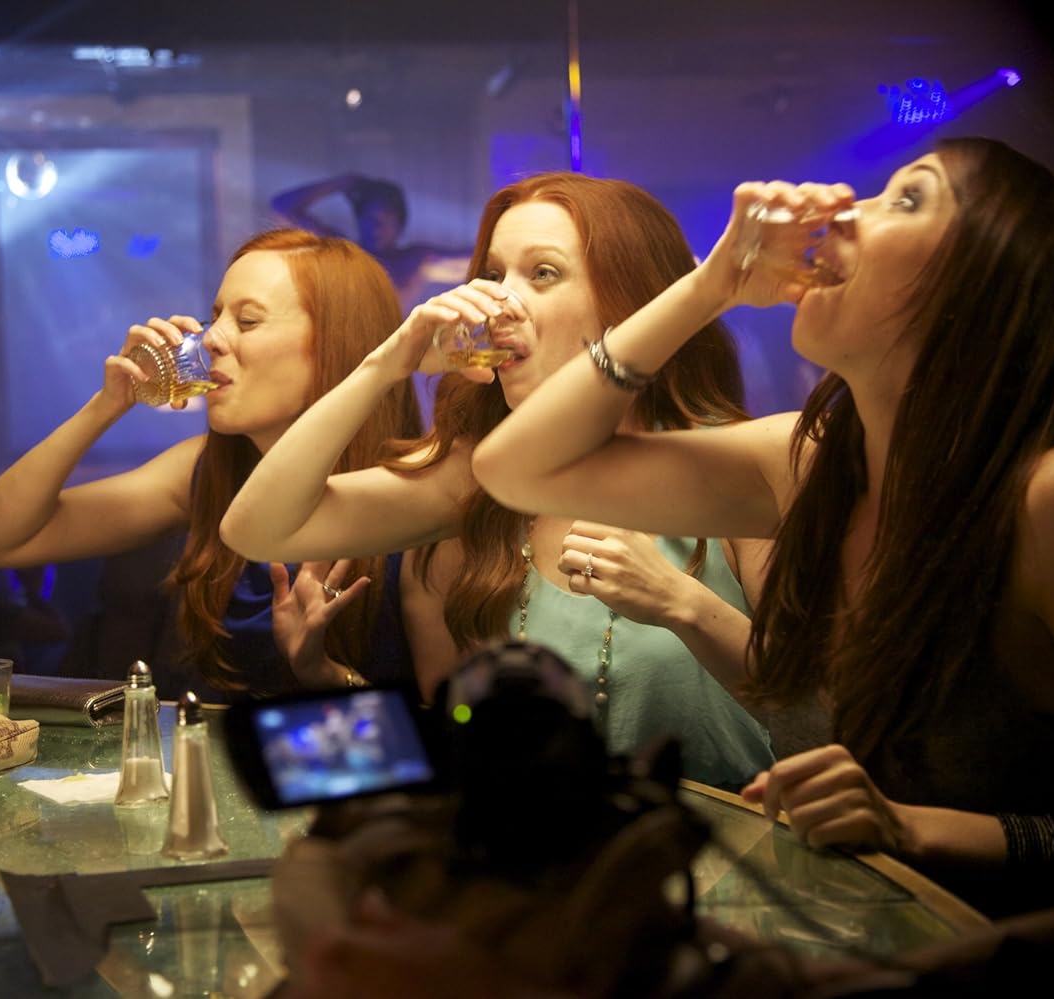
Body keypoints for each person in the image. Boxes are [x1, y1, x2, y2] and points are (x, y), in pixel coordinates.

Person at [469, 137, 1054, 919]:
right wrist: (710, 285)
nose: (843, 210)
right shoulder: (805, 464)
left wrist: (919, 828)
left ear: (989, 278)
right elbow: (514, 470)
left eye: (906, 197)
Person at [222, 173, 775, 792]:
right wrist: (387, 363)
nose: (500, 302)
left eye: (542, 273)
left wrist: (684, 605)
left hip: (726, 844)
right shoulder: (482, 475)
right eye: (493, 275)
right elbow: (258, 529)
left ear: (631, 303)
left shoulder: (735, 463)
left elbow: (815, 713)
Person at [0, 229, 424, 700]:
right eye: (216, 316)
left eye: (248, 321)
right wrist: (108, 404)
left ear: (334, 345)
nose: (211, 338)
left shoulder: (417, 494)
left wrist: (326, 676)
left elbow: (451, 721)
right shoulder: (205, 472)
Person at [270, 173, 470, 313]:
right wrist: (343, 182)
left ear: (400, 224)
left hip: (394, 357)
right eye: (370, 218)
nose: (376, 227)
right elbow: (282, 207)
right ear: (359, 219)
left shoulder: (415, 262)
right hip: (340, 357)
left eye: (386, 220)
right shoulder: (340, 253)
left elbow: (477, 260)